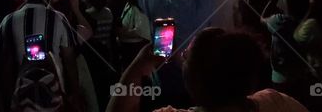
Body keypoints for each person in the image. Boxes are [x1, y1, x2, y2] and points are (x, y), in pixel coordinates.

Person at [105, 30, 309, 112]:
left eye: (185, 55)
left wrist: (137, 67)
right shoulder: (276, 103)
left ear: (195, 80)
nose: (181, 57)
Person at [0, 0, 79, 109]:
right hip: (54, 93)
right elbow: (70, 60)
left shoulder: (9, 20)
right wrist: (75, 93)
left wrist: (6, 99)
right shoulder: (59, 18)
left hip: (20, 95)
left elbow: (3, 62)